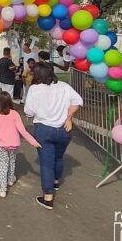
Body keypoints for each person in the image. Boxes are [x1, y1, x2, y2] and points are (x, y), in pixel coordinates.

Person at [24, 63, 83, 210]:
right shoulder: (64, 86)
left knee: (46, 163)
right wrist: (69, 116)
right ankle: (56, 181)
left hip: (44, 130)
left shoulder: (34, 89)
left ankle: (48, 198)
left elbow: (29, 111)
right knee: (58, 157)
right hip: (64, 129)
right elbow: (78, 102)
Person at [0, 91, 41, 198]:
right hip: (13, 144)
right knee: (12, 161)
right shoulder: (15, 114)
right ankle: (11, 179)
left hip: (2, 145)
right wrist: (34, 142)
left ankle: (3, 189)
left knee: (3, 165)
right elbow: (23, 131)